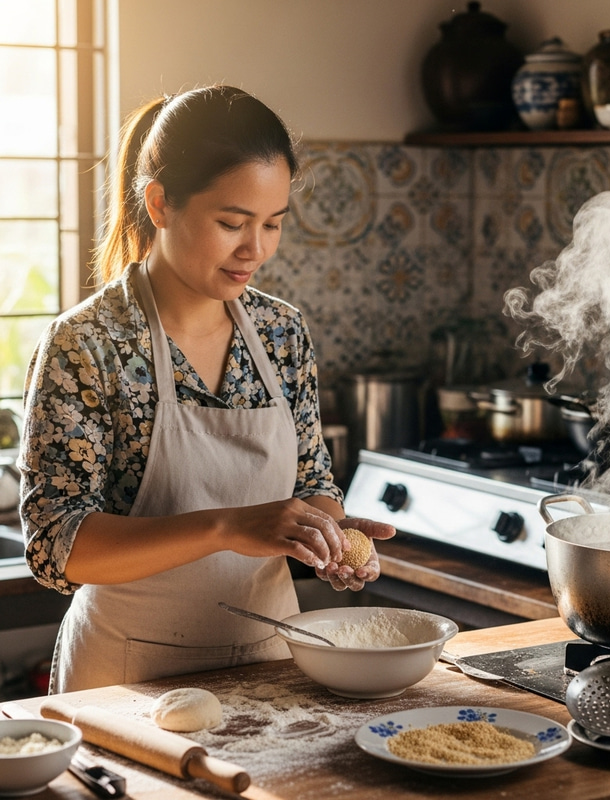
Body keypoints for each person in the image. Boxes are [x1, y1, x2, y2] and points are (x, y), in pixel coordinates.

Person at [18, 85, 395, 693]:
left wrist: (326, 535)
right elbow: (57, 547)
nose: (256, 249)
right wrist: (227, 528)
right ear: (161, 203)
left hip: (274, 660)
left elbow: (312, 482)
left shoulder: (280, 333)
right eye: (232, 223)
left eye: (273, 224)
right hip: (128, 678)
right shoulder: (89, 344)